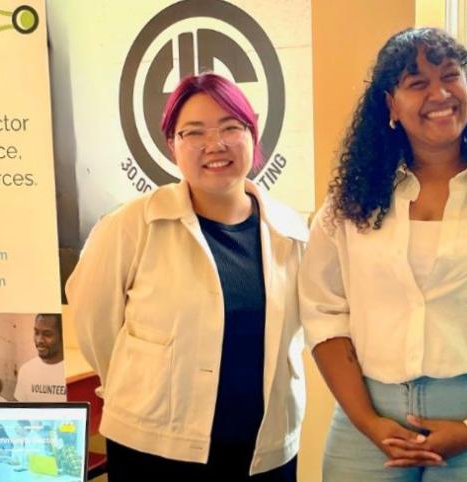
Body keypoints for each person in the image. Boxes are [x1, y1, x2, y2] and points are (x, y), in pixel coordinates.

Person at [298, 27, 467, 482]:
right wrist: (369, 422)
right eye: (416, 83)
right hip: (367, 430)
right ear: (390, 104)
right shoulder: (350, 204)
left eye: (450, 76)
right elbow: (324, 313)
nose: (439, 93)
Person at [67, 72, 307, 481]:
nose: (215, 145)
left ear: (253, 134)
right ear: (172, 146)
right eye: (193, 132)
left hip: (262, 448)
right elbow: (95, 326)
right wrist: (143, 385)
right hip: (155, 445)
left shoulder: (291, 230)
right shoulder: (131, 225)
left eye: (231, 127)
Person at [14, 314, 66, 401]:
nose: (39, 340)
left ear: (62, 336)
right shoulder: (26, 370)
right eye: (36, 333)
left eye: (47, 334)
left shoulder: (73, 372)